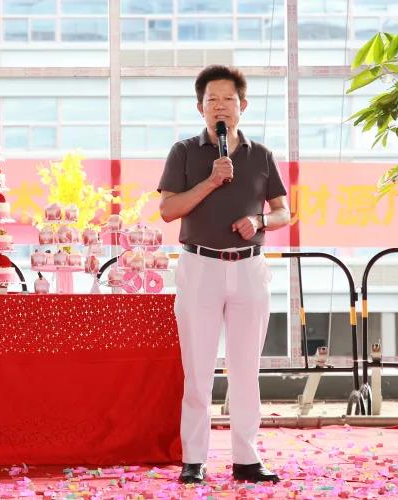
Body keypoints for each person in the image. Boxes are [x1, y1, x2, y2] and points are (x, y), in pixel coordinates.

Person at [158, 65, 290, 484]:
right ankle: (194, 459)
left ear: (242, 105)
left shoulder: (261, 154)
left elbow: (284, 212)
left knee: (246, 369)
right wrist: (211, 182)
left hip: (249, 268)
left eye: (228, 99)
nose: (220, 106)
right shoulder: (184, 152)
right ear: (200, 107)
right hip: (200, 268)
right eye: (212, 99)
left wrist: (261, 221)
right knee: (198, 370)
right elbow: (168, 210)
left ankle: (246, 459)